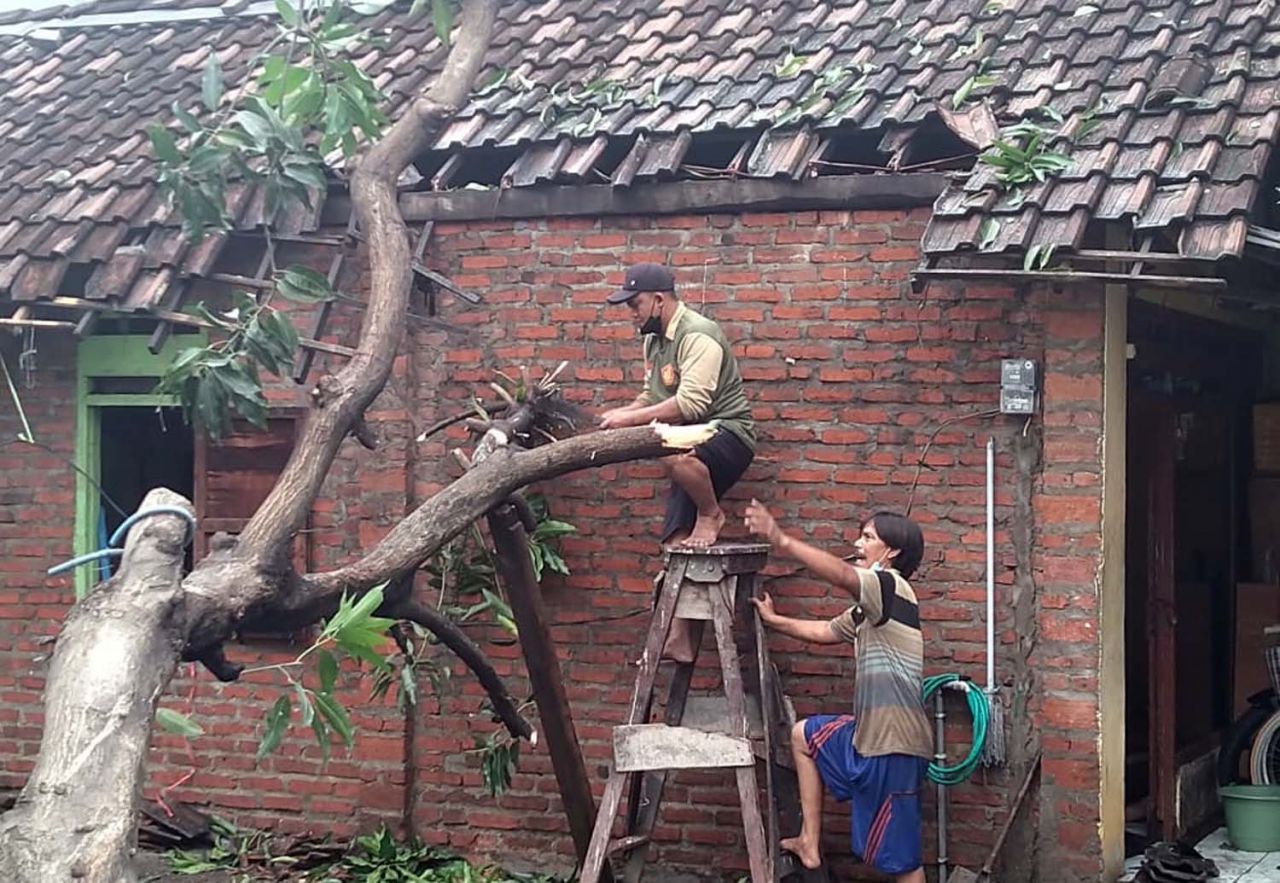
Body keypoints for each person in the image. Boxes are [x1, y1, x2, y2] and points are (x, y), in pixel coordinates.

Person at [744, 500, 931, 883]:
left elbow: (844, 575)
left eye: (868, 537)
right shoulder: (869, 610)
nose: (858, 543)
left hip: (894, 746)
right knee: (803, 736)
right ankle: (810, 842)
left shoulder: (889, 585)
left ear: (891, 552)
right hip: (867, 739)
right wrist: (774, 620)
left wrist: (781, 539)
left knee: (903, 864)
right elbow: (825, 632)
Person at [598, 262, 756, 551]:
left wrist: (632, 421)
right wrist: (623, 413)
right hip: (688, 437)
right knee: (675, 542)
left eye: (636, 305)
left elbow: (690, 404)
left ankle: (710, 513)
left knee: (669, 450)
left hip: (729, 432)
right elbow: (653, 396)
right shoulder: (653, 340)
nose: (632, 314)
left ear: (659, 300)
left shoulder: (697, 334)